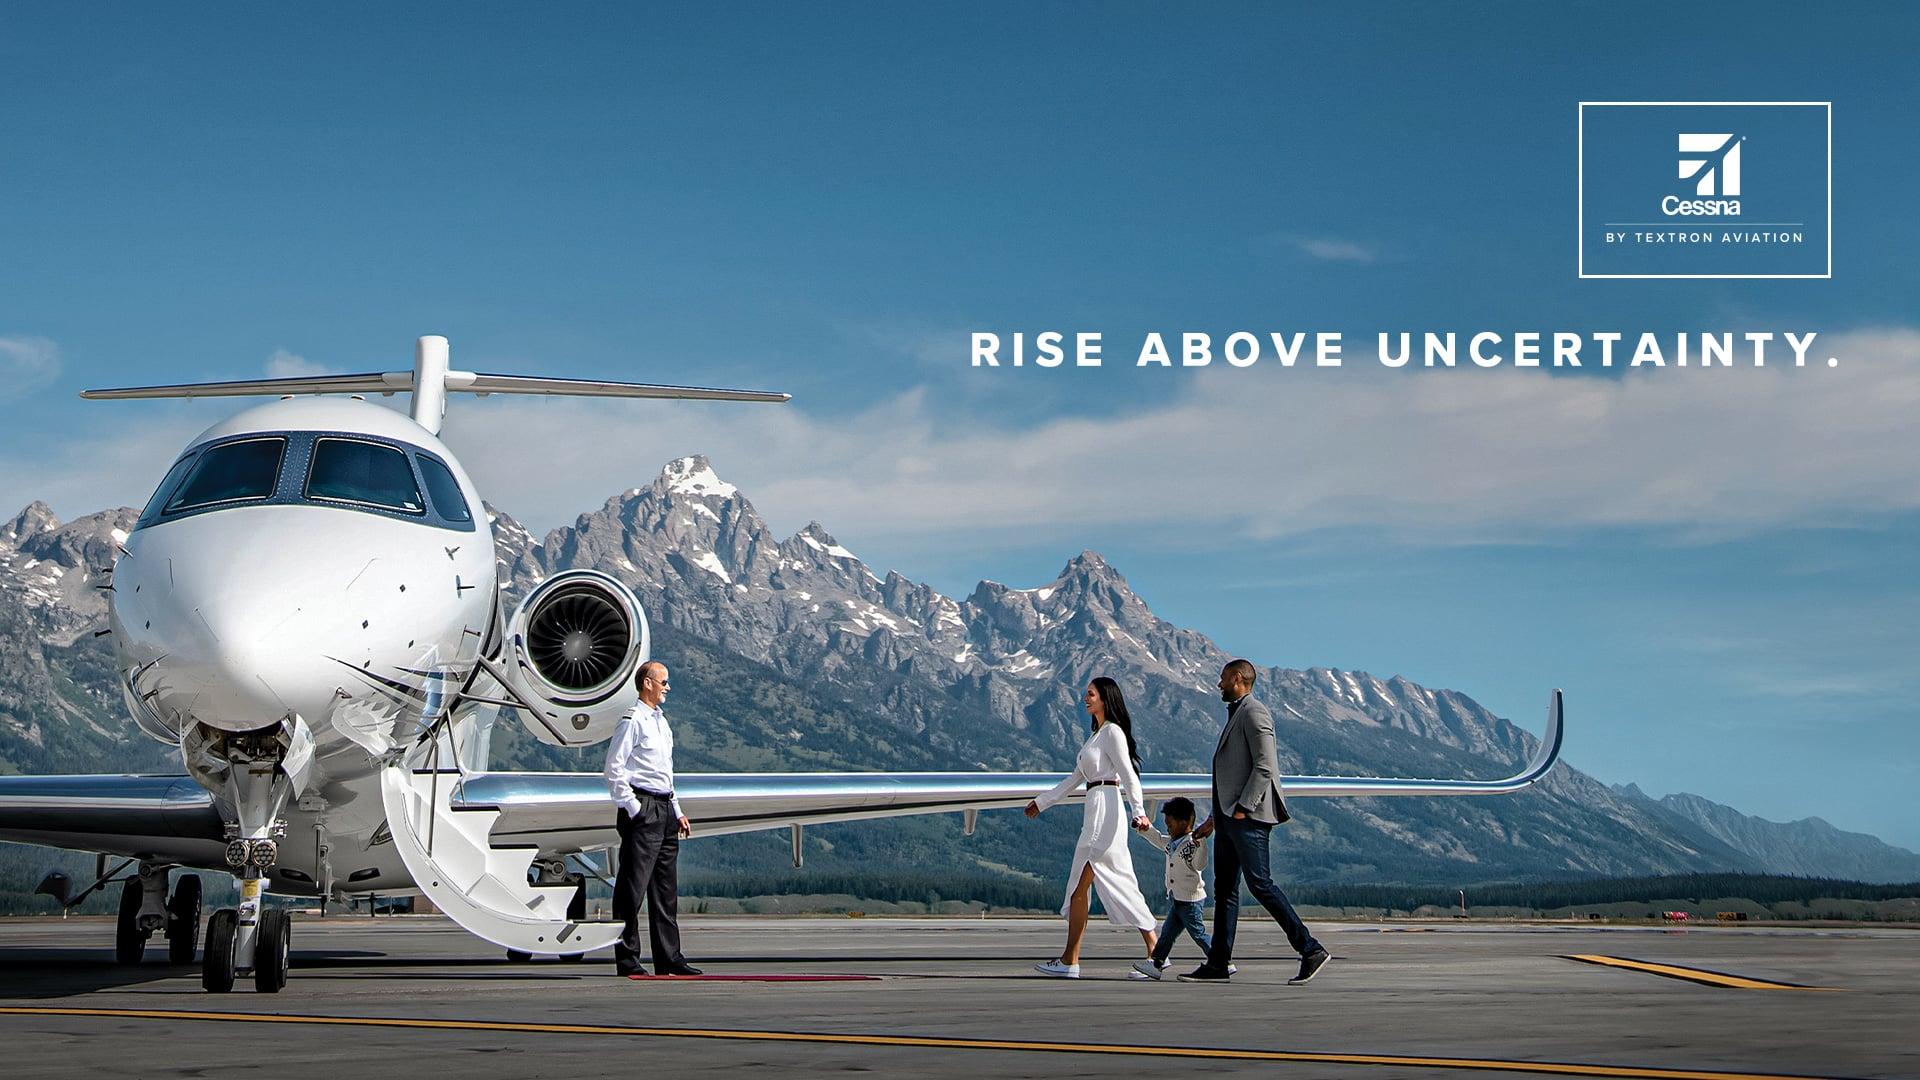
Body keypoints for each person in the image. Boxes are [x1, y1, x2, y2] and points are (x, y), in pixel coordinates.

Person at [1180, 659, 1331, 985]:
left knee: (1261, 885)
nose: (1218, 684)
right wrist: (1215, 818)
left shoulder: (1254, 712)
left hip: (1247, 819)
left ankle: (1310, 949)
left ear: (1237, 679)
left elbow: (1265, 766)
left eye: (1222, 679)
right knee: (1226, 891)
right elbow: (1233, 773)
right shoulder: (1238, 712)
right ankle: (1218, 963)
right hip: (1228, 819)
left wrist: (1242, 809)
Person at [1024, 676, 1159, 978]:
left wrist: (1140, 812)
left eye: (1091, 694)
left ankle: (1070, 961)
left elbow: (1129, 775)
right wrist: (1042, 802)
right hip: (1096, 808)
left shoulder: (1112, 733)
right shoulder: (1096, 736)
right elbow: (1074, 779)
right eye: (1086, 694)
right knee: (1113, 883)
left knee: (1081, 887)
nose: (1085, 699)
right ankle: (1154, 952)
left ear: (1105, 698)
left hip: (1106, 813)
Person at [604, 660, 701, 977]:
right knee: (632, 888)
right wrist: (634, 809)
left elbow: (665, 774)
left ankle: (669, 957)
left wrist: (678, 810)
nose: (667, 688)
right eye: (663, 682)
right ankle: (628, 957)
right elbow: (614, 769)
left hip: (665, 809)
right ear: (647, 683)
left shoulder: (662, 723)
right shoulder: (633, 721)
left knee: (665, 889)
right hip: (643, 808)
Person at [1129, 796, 1232, 981]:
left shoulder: (1192, 843)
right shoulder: (1172, 843)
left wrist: (1200, 843)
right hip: (1179, 898)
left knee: (1198, 933)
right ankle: (1156, 964)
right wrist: (1143, 829)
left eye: (1170, 823)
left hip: (1191, 901)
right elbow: (1158, 839)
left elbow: (1200, 865)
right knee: (1167, 933)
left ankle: (1222, 961)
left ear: (1184, 822)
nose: (1167, 827)